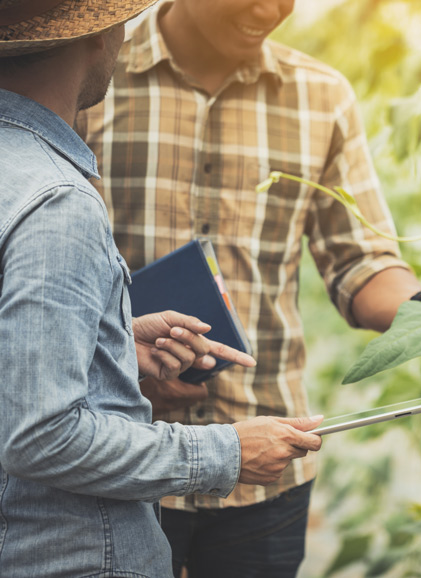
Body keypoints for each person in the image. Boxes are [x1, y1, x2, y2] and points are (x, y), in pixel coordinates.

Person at [77, 1, 421, 576]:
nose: (269, 9)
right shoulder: (92, 71)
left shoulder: (321, 96)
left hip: (267, 465)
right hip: (123, 457)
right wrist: (117, 364)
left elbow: (359, 263)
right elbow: (43, 268)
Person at [0, 2, 324, 577]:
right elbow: (40, 436)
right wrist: (225, 451)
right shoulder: (58, 201)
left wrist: (112, 350)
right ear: (99, 34)